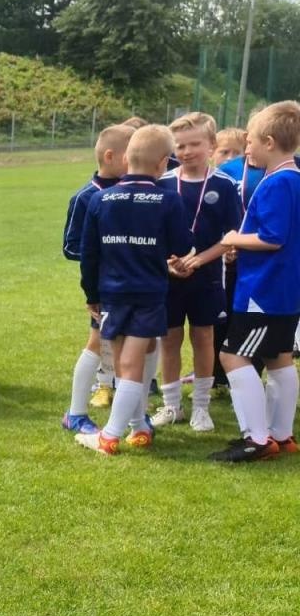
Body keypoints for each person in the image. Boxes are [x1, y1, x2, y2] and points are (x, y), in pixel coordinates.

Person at [177, 101, 300, 461]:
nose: (247, 149)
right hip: (284, 288)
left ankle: (257, 439)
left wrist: (234, 239)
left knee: (231, 355)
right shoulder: (294, 179)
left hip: (264, 290)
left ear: (269, 142)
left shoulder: (278, 182)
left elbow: (272, 238)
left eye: (250, 142)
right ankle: (282, 435)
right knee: (278, 357)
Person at [76, 125, 191, 455]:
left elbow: (89, 255)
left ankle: (111, 435)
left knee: (126, 364)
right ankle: (134, 427)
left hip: (113, 295)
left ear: (126, 158)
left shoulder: (100, 199)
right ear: (163, 163)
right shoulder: (169, 200)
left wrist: (91, 295)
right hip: (150, 295)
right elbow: (183, 245)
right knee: (132, 364)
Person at [154, 113, 242, 431]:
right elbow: (153, 234)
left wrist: (200, 259)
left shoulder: (225, 185)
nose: (187, 151)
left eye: (194, 144)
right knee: (169, 339)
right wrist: (167, 263)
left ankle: (201, 407)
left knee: (203, 337)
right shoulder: (163, 184)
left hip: (208, 277)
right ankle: (171, 405)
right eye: (180, 146)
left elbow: (232, 235)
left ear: (211, 145)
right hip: (169, 276)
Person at [61, 124, 133, 432]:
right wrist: (109, 255)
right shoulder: (85, 197)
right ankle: (76, 412)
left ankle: (135, 414)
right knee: (97, 342)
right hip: (107, 286)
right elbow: (70, 246)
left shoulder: (136, 193)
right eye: (132, 154)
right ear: (110, 156)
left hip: (133, 283)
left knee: (136, 344)